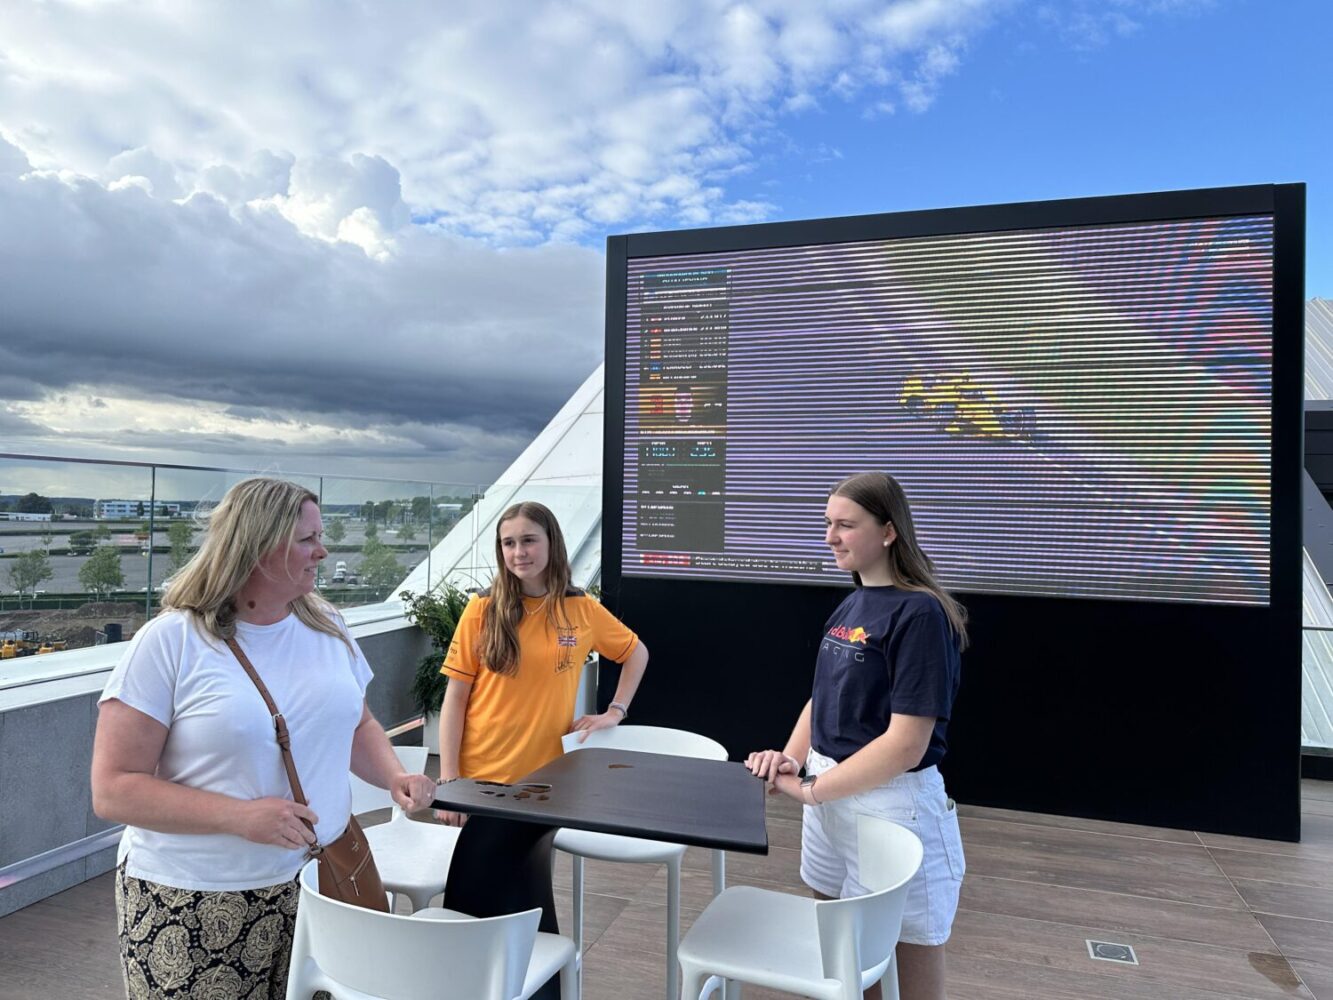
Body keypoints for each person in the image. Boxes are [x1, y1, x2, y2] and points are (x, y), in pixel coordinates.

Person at [90, 478, 437, 999]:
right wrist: (239, 817)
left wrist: (394, 776)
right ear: (256, 546)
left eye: (320, 536)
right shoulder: (170, 642)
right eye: (307, 539)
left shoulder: (329, 625)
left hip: (324, 882)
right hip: (198, 902)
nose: (322, 551)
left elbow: (357, 723)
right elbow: (114, 788)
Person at [746, 472, 967, 1000]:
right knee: (848, 963)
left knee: (907, 965)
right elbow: (823, 695)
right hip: (830, 798)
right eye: (828, 523)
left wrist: (814, 790)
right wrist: (792, 759)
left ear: (889, 531)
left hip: (892, 808)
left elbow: (907, 744)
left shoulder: (921, 613)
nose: (830, 537)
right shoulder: (854, 602)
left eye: (845, 525)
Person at [435, 500, 648, 824]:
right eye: (509, 543)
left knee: (535, 859)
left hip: (546, 781)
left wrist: (615, 711)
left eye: (529, 540)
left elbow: (636, 653)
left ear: (552, 542)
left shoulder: (581, 609)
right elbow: (455, 698)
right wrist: (449, 782)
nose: (519, 552)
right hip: (479, 780)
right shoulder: (482, 608)